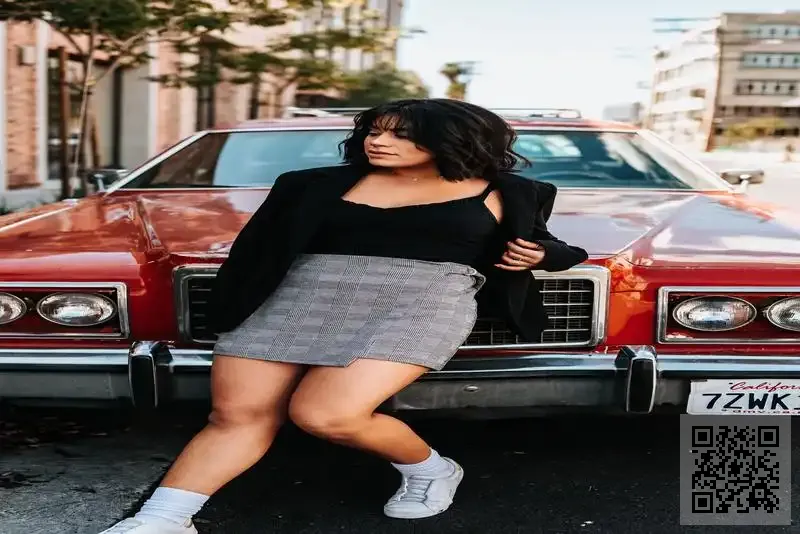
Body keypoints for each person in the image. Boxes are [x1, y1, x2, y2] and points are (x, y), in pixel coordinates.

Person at [99, 98, 588, 534]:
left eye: (400, 134)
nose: (379, 141)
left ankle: (431, 470)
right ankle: (162, 519)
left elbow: (554, 247)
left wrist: (542, 256)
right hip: (296, 298)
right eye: (374, 130)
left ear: (453, 139)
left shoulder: (511, 191)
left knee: (326, 414)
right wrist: (230, 308)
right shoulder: (308, 185)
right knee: (235, 416)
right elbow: (254, 252)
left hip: (420, 303)